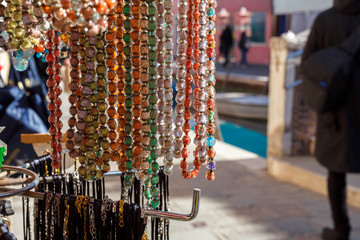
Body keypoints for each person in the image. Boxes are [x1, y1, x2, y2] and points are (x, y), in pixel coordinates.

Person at [301, 0, 360, 239]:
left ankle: (341, 229)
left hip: (335, 111)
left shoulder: (324, 20)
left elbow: (307, 64)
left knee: (336, 172)